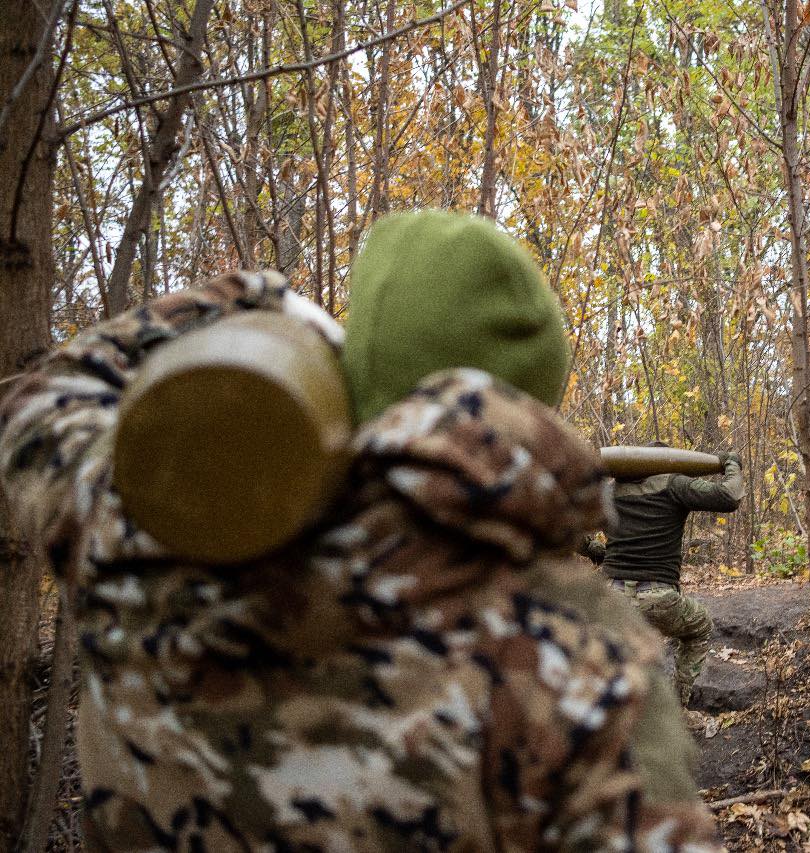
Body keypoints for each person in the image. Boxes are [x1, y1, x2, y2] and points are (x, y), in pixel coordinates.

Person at [0, 211, 719, 851]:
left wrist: (255, 299)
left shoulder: (132, 538)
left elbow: (42, 403)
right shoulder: (577, 658)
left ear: (351, 372)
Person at [600, 444, 744, 706]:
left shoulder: (609, 491)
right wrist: (731, 463)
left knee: (612, 651)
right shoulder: (673, 484)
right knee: (699, 627)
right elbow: (729, 496)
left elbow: (574, 534)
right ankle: (679, 709)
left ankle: (613, 717)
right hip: (658, 598)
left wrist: (600, 552)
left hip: (611, 596)